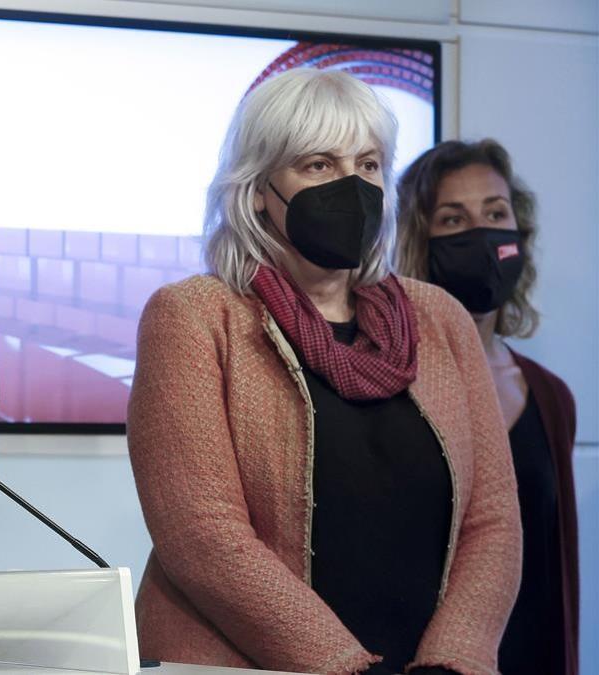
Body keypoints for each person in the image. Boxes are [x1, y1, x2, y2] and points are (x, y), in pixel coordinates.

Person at [127, 69, 521, 675]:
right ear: (258, 188)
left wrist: (453, 661)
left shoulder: (439, 318)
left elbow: (492, 519)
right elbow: (201, 534)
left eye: (367, 166)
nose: (351, 187)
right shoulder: (196, 316)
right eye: (318, 165)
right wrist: (341, 665)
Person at [396, 139, 579, 675]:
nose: (481, 234)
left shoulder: (550, 397)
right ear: (419, 242)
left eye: (496, 214)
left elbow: (552, 566)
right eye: (453, 220)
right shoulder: (386, 380)